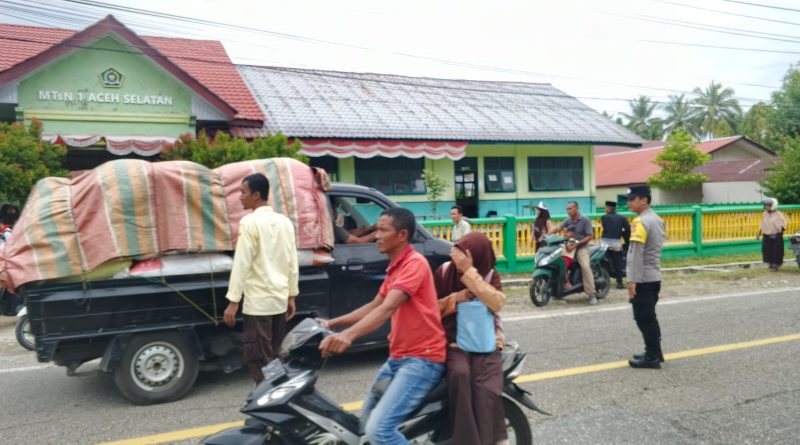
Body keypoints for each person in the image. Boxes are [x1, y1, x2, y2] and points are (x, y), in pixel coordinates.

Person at [319, 207, 446, 445]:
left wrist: (348, 337)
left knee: (380, 431)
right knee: (364, 427)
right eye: (376, 229)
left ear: (402, 235)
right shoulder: (396, 266)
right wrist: (332, 323)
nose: (376, 235)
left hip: (422, 361)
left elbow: (387, 309)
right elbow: (374, 305)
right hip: (398, 358)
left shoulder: (414, 265)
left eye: (383, 230)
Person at [223, 173, 299, 384]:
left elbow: (242, 263)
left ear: (256, 195)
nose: (240, 197)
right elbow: (292, 262)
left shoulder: (249, 222)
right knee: (272, 355)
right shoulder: (285, 222)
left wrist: (233, 301)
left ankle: (269, 400)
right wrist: (291, 295)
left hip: (258, 305)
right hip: (279, 300)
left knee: (258, 359)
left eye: (243, 192)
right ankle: (276, 397)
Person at [434, 232, 506, 445]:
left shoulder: (490, 275)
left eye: (464, 257)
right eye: (457, 257)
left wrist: (469, 272)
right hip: (454, 341)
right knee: (459, 373)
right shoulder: (443, 272)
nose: (458, 263)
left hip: (485, 341)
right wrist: (455, 299)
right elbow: (429, 309)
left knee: (486, 388)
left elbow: (497, 303)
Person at [624, 185, 666, 369]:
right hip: (654, 276)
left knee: (643, 317)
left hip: (643, 278)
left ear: (644, 200)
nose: (629, 202)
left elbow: (636, 253)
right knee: (650, 316)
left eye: (632, 199)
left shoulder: (640, 222)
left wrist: (632, 280)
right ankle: (655, 352)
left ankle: (652, 357)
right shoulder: (656, 219)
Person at [550, 201, 598, 305]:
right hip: (569, 246)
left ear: (576, 209)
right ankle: (560, 289)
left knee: (585, 266)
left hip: (582, 247)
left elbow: (590, 236)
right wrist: (547, 234)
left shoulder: (585, 220)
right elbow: (558, 228)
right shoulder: (567, 221)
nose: (568, 211)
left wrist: (577, 244)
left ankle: (592, 293)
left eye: (570, 208)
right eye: (567, 209)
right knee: (558, 262)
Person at [600, 200, 631, 289]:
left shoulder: (603, 217)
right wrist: (627, 242)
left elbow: (606, 228)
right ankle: (619, 283)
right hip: (615, 244)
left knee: (603, 261)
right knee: (617, 262)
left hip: (604, 243)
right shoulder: (622, 218)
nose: (605, 209)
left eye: (606, 208)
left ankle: (604, 280)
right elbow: (627, 230)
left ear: (609, 208)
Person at [757, 198, 787, 272]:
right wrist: (758, 233)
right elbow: (762, 224)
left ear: (773, 206)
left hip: (776, 236)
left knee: (776, 251)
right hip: (766, 235)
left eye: (768, 205)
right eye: (766, 205)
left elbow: (783, 225)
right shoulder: (764, 214)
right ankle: (770, 263)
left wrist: (778, 233)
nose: (766, 207)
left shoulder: (778, 214)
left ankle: (776, 265)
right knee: (767, 250)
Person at [560, 224, 578, 290]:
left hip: (568, 258)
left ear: (573, 233)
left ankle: (568, 283)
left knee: (563, 268)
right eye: (566, 232)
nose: (566, 234)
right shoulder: (565, 239)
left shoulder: (574, 240)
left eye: (568, 232)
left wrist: (566, 243)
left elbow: (569, 249)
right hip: (562, 256)